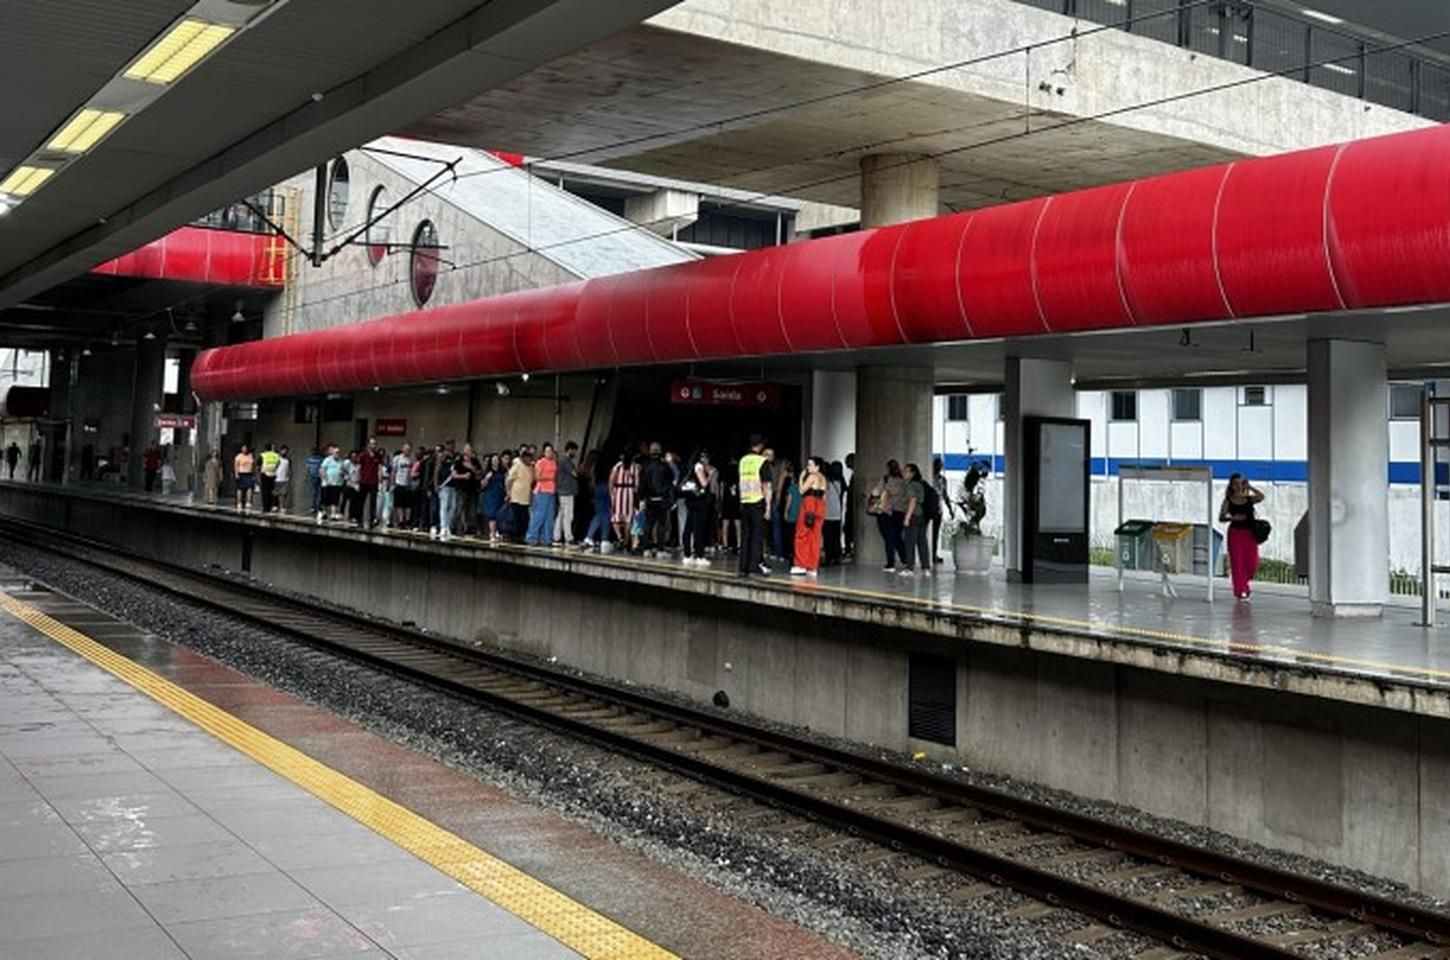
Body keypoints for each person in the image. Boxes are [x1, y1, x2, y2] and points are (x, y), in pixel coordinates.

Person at [1221, 473, 1265, 601]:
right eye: (1235, 483)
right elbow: (1222, 516)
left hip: (1250, 533)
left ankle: (1244, 584)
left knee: (1252, 563)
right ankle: (1241, 590)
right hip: (1235, 533)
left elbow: (1261, 497)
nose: (1238, 486)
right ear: (1231, 485)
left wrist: (1250, 487)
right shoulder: (1228, 500)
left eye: (1241, 483)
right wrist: (1232, 518)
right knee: (1237, 563)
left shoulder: (1249, 498)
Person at [738, 436, 772, 577]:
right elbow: (766, 485)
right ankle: (753, 567)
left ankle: (743, 566)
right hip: (757, 501)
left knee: (745, 535)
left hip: (744, 501)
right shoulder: (762, 461)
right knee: (757, 536)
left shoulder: (743, 461)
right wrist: (768, 506)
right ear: (760, 446)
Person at [791, 456, 828, 577]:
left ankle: (801, 565)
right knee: (815, 537)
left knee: (801, 534)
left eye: (810, 465)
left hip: (810, 503)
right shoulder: (823, 478)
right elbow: (824, 496)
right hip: (820, 505)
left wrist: (801, 478)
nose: (808, 467)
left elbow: (802, 491)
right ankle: (812, 566)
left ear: (817, 466)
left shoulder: (812, 476)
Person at [639, 442, 674, 556]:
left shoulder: (645, 465)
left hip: (649, 498)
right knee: (661, 525)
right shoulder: (664, 465)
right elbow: (671, 478)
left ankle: (646, 548)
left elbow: (642, 483)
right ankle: (660, 549)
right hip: (662, 499)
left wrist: (641, 498)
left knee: (648, 524)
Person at [679, 451, 712, 567]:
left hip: (691, 501)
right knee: (698, 529)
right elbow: (703, 483)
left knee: (689, 527)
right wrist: (710, 475)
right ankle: (699, 556)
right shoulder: (699, 467)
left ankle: (687, 554)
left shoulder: (691, 466)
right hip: (699, 502)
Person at [900, 462, 932, 577]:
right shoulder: (921, 484)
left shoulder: (911, 485)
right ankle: (926, 568)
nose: (903, 473)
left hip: (913, 516)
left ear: (912, 473)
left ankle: (909, 568)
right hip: (923, 516)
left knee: (909, 542)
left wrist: (907, 517)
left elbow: (912, 501)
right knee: (922, 542)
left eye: (906, 471)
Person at [527, 442, 558, 547]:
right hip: (542, 490)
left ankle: (547, 538)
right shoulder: (541, 462)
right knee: (539, 515)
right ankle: (532, 537)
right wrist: (550, 478)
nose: (550, 453)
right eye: (547, 451)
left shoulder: (554, 462)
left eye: (551, 451)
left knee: (549, 516)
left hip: (551, 490)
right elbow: (537, 477)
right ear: (544, 452)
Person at [581, 450, 611, 549]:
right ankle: (604, 538)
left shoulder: (592, 466)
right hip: (606, 487)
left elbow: (592, 478)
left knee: (599, 513)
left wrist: (593, 490)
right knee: (605, 514)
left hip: (597, 488)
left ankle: (591, 537)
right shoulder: (608, 465)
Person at [505, 448, 535, 543]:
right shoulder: (517, 466)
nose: (529, 460)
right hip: (516, 496)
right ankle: (513, 535)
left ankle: (521, 535)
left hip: (525, 497)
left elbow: (533, 481)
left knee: (524, 518)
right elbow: (509, 480)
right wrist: (508, 492)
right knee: (515, 518)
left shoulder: (531, 468)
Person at [609, 451, 638, 546]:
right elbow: (637, 483)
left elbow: (611, 481)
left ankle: (619, 536)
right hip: (629, 493)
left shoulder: (617, 466)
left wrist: (612, 493)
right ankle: (626, 540)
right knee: (628, 518)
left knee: (615, 517)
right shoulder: (634, 467)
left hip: (618, 492)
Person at [554, 441, 579, 545]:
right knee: (568, 515)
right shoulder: (567, 461)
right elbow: (575, 474)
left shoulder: (560, 461)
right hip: (567, 491)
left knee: (561, 514)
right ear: (570, 450)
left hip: (562, 491)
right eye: (574, 451)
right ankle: (568, 537)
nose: (575, 453)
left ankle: (556, 535)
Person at [930, 457, 954, 566]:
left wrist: (950, 509)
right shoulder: (928, 477)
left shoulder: (943, 480)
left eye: (940, 465)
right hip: (928, 507)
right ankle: (927, 554)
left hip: (938, 508)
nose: (939, 467)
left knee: (935, 533)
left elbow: (945, 495)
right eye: (937, 465)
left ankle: (933, 554)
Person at [823, 461, 847, 567]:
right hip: (837, 513)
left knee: (828, 537)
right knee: (836, 537)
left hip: (827, 512)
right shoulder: (841, 482)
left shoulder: (827, 482)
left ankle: (829, 558)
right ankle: (837, 557)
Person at [318, 444, 346, 523]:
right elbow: (322, 469)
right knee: (325, 500)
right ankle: (325, 512)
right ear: (333, 453)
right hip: (328, 483)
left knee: (335, 500)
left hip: (337, 483)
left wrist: (342, 474)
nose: (337, 454)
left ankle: (333, 514)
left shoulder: (341, 462)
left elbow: (343, 472)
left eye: (338, 452)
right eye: (336, 452)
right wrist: (326, 479)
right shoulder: (327, 460)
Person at [718, 456, 740, 554]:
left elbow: (721, 486)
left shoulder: (725, 470)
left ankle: (725, 544)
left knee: (725, 523)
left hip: (726, 499)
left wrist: (720, 500)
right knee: (737, 523)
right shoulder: (739, 470)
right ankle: (739, 545)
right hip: (736, 499)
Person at [391, 443, 415, 528]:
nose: (407, 451)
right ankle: (401, 520)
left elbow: (412, 471)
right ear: (402, 449)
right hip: (399, 482)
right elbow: (393, 471)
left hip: (407, 484)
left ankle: (407, 520)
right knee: (399, 504)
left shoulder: (411, 460)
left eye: (409, 449)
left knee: (408, 504)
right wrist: (393, 484)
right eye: (406, 449)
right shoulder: (397, 459)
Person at [258, 442, 280, 512]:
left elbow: (258, 464)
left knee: (265, 491)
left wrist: (260, 471)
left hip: (264, 474)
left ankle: (265, 507)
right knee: (271, 491)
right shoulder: (276, 455)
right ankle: (270, 506)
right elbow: (278, 464)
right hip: (273, 474)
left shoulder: (263, 455)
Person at [233, 444, 256, 513]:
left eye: (245, 448)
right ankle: (239, 502)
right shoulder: (238, 456)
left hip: (249, 474)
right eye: (243, 448)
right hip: (241, 473)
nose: (244, 449)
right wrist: (236, 474)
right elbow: (236, 465)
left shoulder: (251, 456)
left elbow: (253, 465)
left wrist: (254, 474)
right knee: (240, 489)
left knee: (249, 488)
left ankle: (248, 502)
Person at [305, 446, 324, 515]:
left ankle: (316, 506)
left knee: (316, 492)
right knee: (316, 492)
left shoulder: (311, 459)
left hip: (316, 476)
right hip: (315, 476)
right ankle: (315, 506)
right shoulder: (320, 458)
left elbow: (308, 468)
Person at [275, 445, 292, 513]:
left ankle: (283, 506)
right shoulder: (278, 458)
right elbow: (275, 467)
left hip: (285, 478)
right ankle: (278, 505)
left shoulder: (288, 459)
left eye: (286, 451)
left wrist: (289, 476)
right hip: (278, 478)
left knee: (284, 493)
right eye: (283, 450)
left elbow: (290, 468)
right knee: (278, 493)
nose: (284, 452)